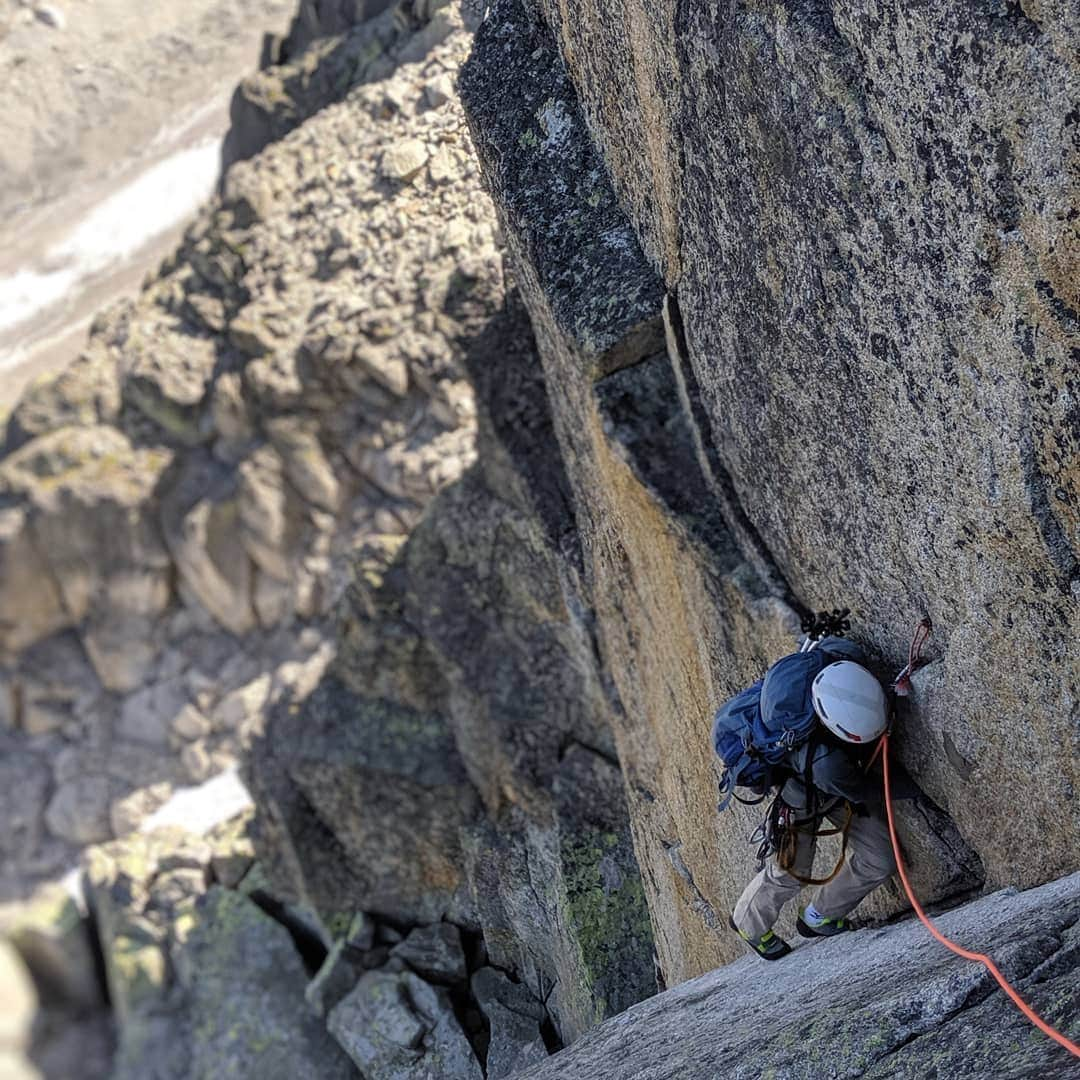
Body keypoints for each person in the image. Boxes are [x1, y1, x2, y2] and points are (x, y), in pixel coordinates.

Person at [728, 654, 897, 960]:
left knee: (881, 859)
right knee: (793, 870)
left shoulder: (834, 659)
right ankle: (748, 922)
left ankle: (821, 916)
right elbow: (867, 791)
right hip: (801, 790)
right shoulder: (828, 765)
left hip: (829, 776)